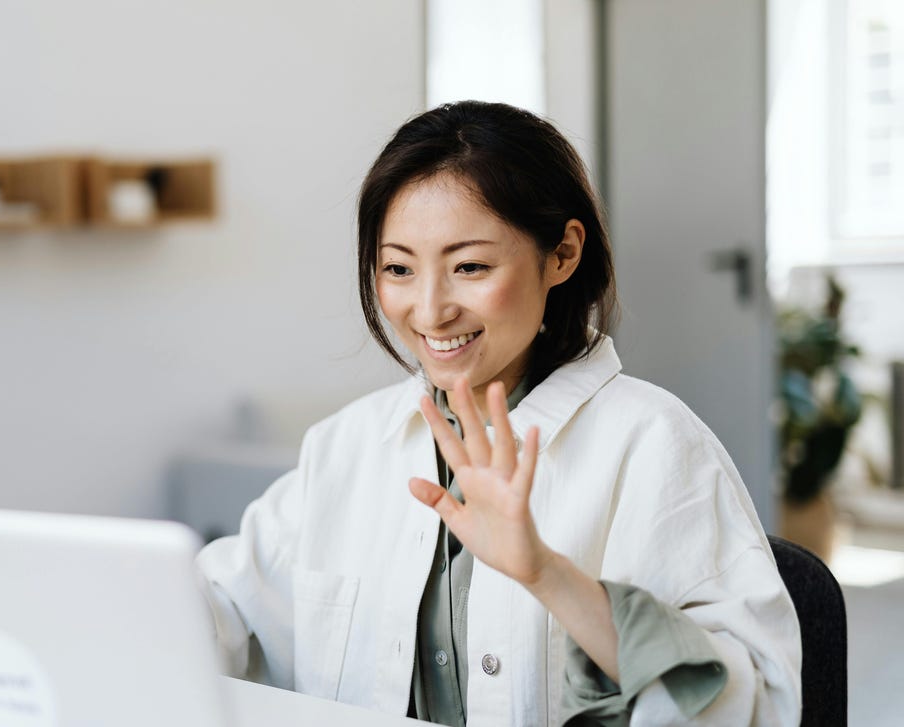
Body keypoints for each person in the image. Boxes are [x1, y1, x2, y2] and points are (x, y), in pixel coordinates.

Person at [196, 101, 802, 726]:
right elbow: (216, 610)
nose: (430, 312)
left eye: (470, 267)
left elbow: (754, 702)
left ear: (562, 254)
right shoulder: (345, 446)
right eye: (398, 268)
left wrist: (546, 575)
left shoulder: (653, 443)